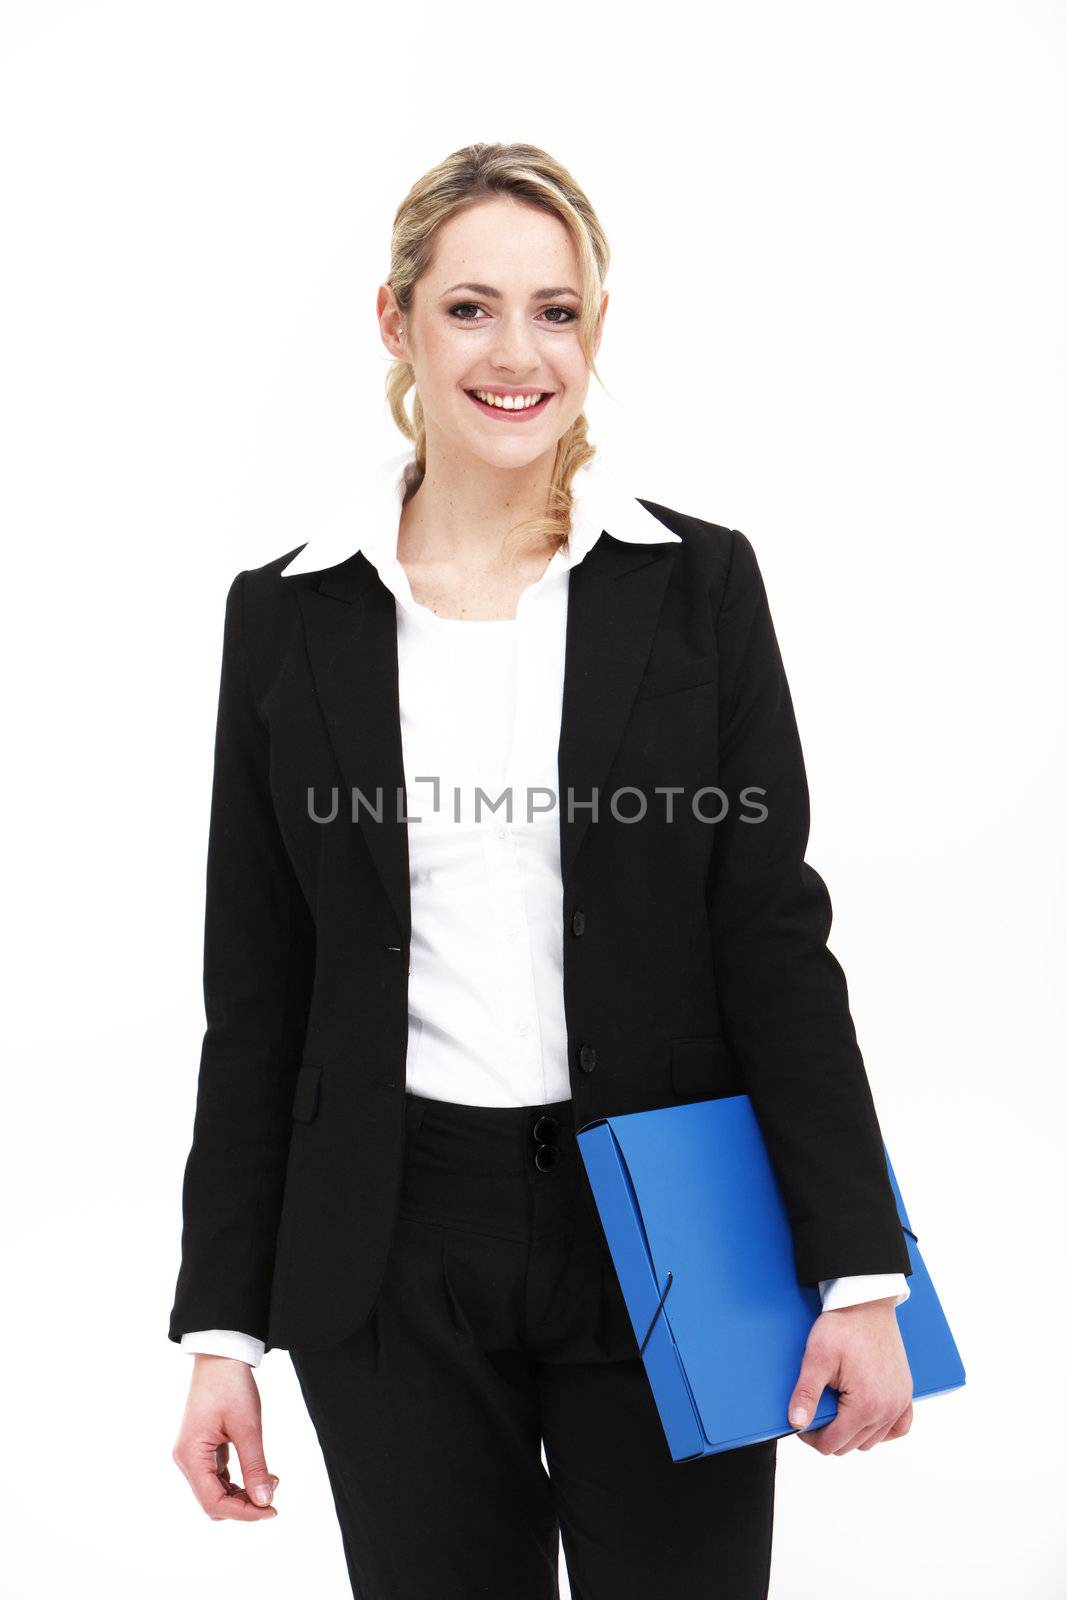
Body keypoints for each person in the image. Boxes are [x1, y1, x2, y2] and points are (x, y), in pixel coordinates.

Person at [169, 142, 914, 1598]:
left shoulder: (698, 584)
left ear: (596, 331)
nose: (518, 354)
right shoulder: (289, 616)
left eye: (557, 311)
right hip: (388, 1236)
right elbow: (258, 991)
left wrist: (861, 1270)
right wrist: (221, 1336)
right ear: (395, 324)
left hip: (670, 1210)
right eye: (470, 309)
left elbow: (771, 935)